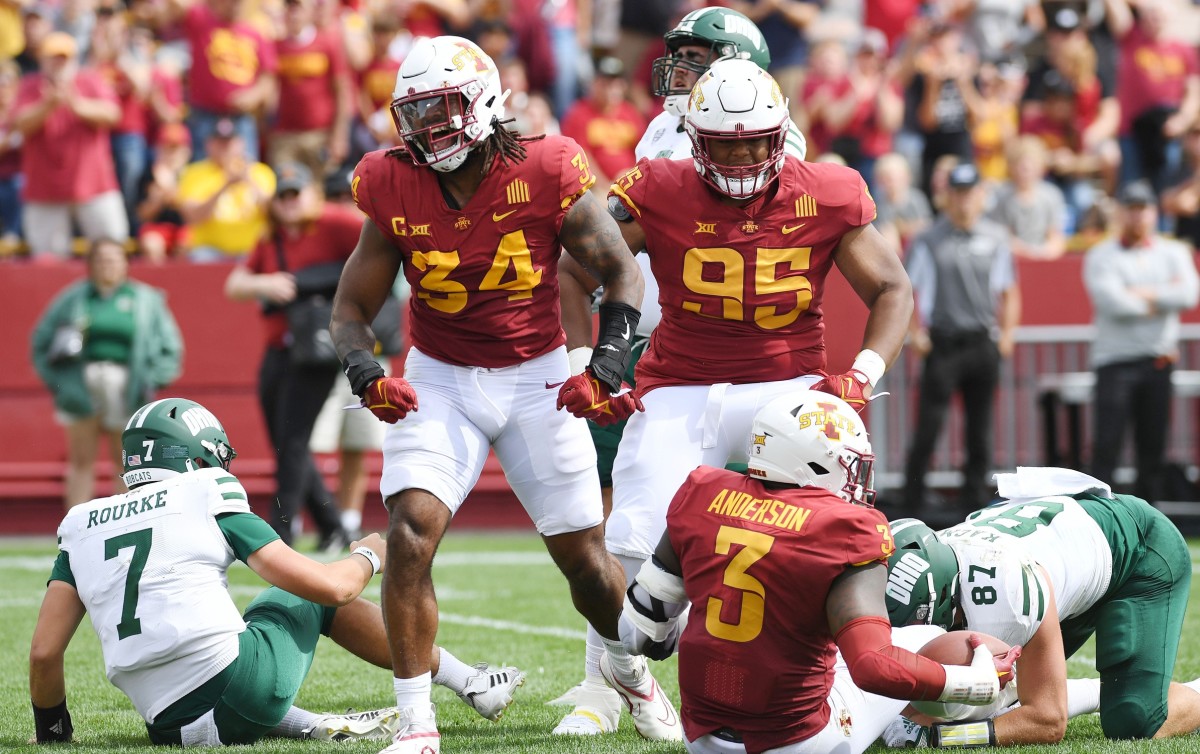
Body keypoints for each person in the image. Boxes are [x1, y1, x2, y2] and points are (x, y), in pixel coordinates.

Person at [328, 36, 677, 752]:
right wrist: (367, 373)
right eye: (415, 112)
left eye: (443, 107)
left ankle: (633, 676)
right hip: (440, 376)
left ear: (483, 101)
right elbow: (348, 311)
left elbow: (621, 272)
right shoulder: (390, 180)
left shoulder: (548, 166)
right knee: (408, 536)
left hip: (536, 375)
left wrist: (605, 365)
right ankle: (418, 722)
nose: (429, 128)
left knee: (584, 559)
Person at [557, 56, 914, 736]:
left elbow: (892, 287)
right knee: (631, 544)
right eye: (726, 143)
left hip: (788, 386)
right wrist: (592, 364)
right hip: (681, 384)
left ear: (781, 134)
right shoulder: (657, 187)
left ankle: (839, 684)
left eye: (755, 140)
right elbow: (576, 270)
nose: (745, 156)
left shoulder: (828, 190)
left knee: (826, 540)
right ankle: (622, 679)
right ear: (695, 140)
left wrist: (861, 375)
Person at [28, 397, 525, 747]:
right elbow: (332, 588)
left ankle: (306, 723)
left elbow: (45, 653)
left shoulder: (80, 522)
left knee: (247, 630)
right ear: (195, 456)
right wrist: (370, 554)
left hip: (167, 727)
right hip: (238, 690)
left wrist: (54, 734)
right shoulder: (203, 490)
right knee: (287, 600)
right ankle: (471, 683)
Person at [616, 390, 1019, 754]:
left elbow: (635, 633)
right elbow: (874, 666)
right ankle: (973, 715)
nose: (859, 480)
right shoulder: (845, 529)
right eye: (851, 466)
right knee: (928, 637)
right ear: (810, 461)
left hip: (701, 738)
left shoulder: (703, 492)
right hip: (797, 741)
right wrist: (973, 682)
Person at [883, 466, 1200, 745]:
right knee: (986, 694)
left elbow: (1047, 720)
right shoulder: (930, 558)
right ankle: (1104, 690)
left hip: (1139, 550)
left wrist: (945, 738)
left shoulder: (1008, 587)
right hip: (1058, 559)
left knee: (1136, 718)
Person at [224, 162, 359, 548]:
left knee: (294, 440)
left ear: (310, 195)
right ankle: (331, 524)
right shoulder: (272, 239)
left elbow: (376, 241)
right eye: (282, 196)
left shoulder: (335, 224)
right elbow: (233, 284)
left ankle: (280, 531)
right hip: (279, 349)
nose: (289, 202)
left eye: (295, 193)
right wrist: (265, 283)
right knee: (285, 442)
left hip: (318, 348)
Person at [902, 162, 1020, 513]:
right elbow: (907, 289)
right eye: (958, 192)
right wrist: (915, 334)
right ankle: (912, 504)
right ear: (947, 196)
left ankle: (973, 504)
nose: (964, 200)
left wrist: (1008, 336)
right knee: (928, 428)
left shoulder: (996, 238)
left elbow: (1010, 291)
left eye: (970, 192)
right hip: (944, 343)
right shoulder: (929, 238)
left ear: (980, 195)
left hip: (982, 342)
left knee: (980, 432)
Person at [30, 238, 182, 510]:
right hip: (80, 385)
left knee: (126, 461)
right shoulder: (73, 298)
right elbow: (41, 340)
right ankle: (73, 530)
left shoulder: (145, 299)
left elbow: (171, 347)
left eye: (114, 259)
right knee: (80, 459)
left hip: (127, 385)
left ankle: (125, 526)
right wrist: (58, 383)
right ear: (89, 265)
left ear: (125, 263)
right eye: (101, 260)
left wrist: (153, 379)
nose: (107, 265)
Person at [1082, 180, 1199, 503]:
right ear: (1121, 213)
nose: (1138, 216)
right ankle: (1097, 523)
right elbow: (1114, 304)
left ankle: (1150, 526)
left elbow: (1189, 294)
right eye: (1131, 209)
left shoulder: (1174, 251)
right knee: (1107, 447)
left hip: (1157, 361)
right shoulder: (1101, 255)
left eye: (1143, 209)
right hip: (1114, 362)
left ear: (1154, 212)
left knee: (1153, 450)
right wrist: (1163, 297)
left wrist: (1144, 295)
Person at [12, 31, 128, 258]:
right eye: (53, 57)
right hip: (44, 189)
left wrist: (76, 104)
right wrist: (48, 105)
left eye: (64, 57)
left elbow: (113, 114)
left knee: (112, 250)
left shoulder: (90, 80)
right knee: (48, 261)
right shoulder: (30, 85)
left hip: (94, 185)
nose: (59, 63)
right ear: (42, 59)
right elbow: (19, 124)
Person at [176, 117, 275, 262]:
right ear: (208, 145)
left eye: (229, 142)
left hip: (252, 249)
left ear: (241, 144)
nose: (225, 147)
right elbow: (193, 218)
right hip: (210, 249)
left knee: (267, 256)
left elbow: (274, 214)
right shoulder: (194, 173)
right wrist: (225, 185)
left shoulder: (261, 172)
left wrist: (249, 181)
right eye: (219, 142)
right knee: (199, 258)